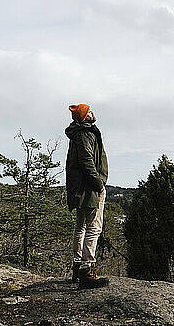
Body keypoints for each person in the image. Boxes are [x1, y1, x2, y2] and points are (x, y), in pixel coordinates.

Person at [65, 103, 110, 289]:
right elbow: (87, 162)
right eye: (89, 112)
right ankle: (87, 270)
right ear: (84, 117)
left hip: (81, 187)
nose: (93, 113)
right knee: (94, 227)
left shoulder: (80, 133)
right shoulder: (85, 133)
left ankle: (78, 266)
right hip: (89, 188)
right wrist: (98, 184)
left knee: (81, 226)